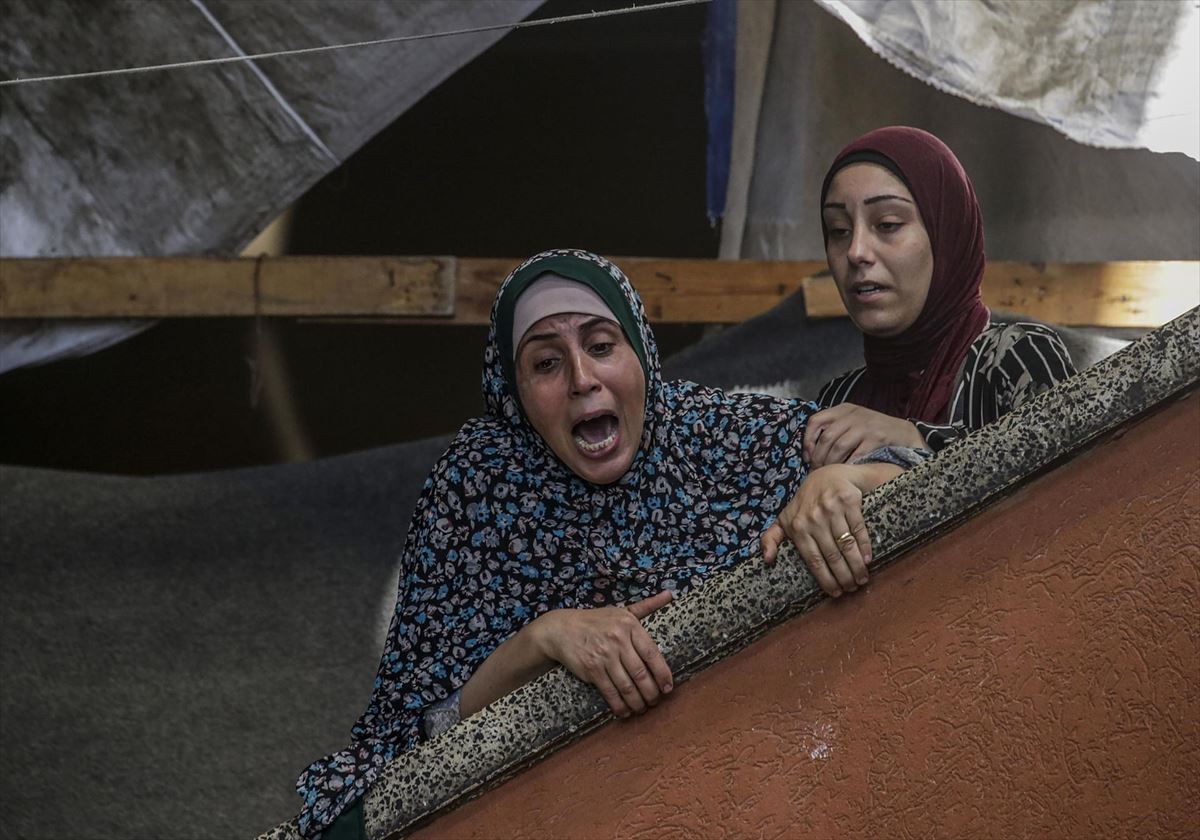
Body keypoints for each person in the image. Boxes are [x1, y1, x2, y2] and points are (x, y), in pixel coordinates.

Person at [294, 249, 916, 838]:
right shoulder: (475, 494)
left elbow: (931, 477)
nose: (582, 379)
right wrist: (545, 638)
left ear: (641, 351)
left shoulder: (710, 434)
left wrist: (842, 481)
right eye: (545, 363)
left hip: (777, 785)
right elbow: (419, 734)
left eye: (600, 346)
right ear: (514, 394)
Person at [805, 126, 1077, 469]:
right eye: (839, 231)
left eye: (887, 224)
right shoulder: (839, 402)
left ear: (947, 233)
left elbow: (1067, 487)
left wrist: (911, 438)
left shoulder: (1015, 359)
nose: (856, 251)